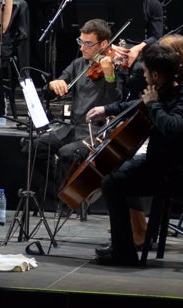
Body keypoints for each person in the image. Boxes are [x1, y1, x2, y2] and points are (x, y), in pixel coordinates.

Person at [86, 42, 183, 266]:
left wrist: (153, 105)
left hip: (177, 174)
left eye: (146, 71)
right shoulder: (164, 90)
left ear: (156, 75)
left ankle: (124, 252)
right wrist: (107, 109)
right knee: (119, 172)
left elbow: (171, 126)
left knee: (112, 183)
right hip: (160, 165)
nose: (144, 74)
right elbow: (139, 103)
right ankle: (125, 245)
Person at [27, 18, 123, 208]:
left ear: (103, 44)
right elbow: (54, 88)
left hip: (95, 132)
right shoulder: (78, 65)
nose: (82, 48)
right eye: (81, 42)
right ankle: (52, 196)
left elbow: (117, 102)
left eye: (88, 44)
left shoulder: (115, 66)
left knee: (66, 153)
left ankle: (69, 203)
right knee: (35, 146)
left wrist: (110, 75)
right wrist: (53, 84)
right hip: (72, 128)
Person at [109, 0, 165, 99]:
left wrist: (136, 49)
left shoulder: (154, 4)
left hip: (140, 49)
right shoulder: (111, 3)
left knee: (141, 70)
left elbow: (156, 36)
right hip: (115, 48)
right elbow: (103, 32)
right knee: (110, 69)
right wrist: (113, 48)